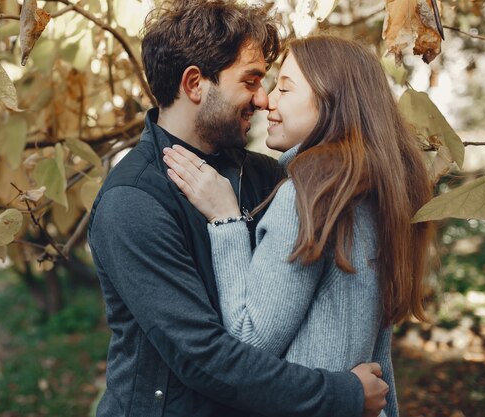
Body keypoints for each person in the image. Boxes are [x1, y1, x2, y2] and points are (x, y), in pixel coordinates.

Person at [88, 2, 388, 416]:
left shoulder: (269, 177)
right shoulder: (133, 202)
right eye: (251, 81)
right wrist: (342, 395)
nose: (263, 100)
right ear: (195, 83)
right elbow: (204, 358)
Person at [163, 35, 436, 417]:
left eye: (284, 88)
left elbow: (249, 341)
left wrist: (225, 220)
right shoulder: (378, 194)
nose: (267, 100)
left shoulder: (308, 195)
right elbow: (379, 361)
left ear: (332, 101)